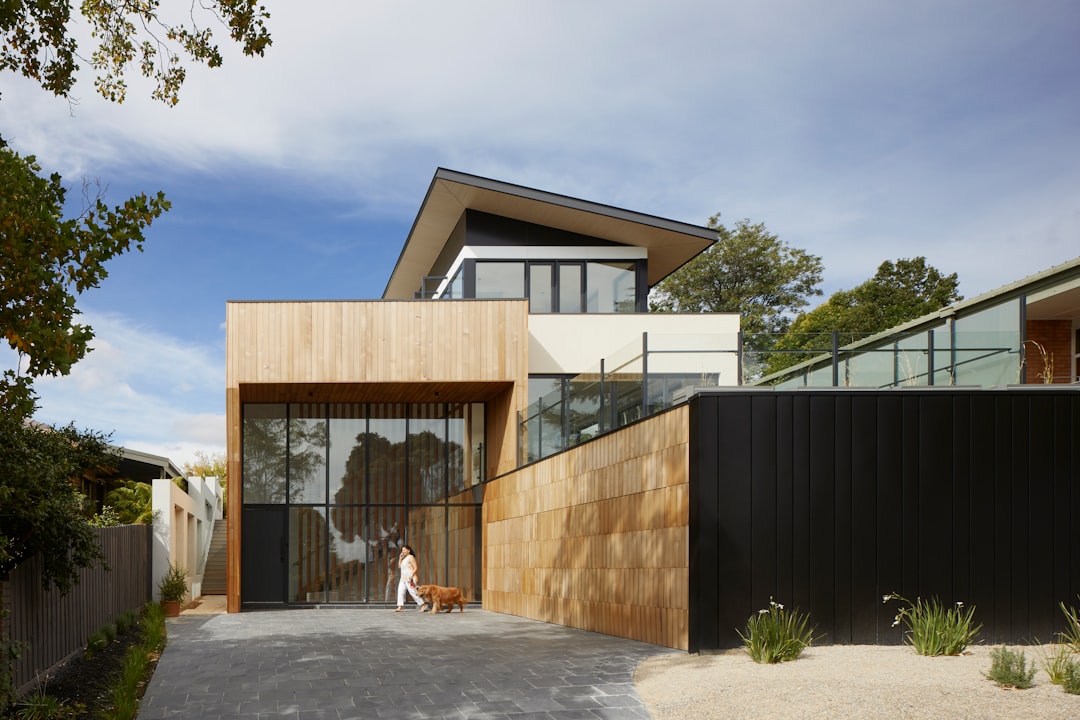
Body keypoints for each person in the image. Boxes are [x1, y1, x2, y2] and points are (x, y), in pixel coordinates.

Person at [395, 545, 426, 612]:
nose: (403, 552)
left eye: (404, 550)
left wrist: (411, 575)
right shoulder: (404, 558)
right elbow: (399, 566)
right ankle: (400, 606)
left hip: (409, 578)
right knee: (400, 591)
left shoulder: (411, 557)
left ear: (408, 550)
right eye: (402, 550)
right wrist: (400, 558)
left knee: (413, 592)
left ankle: (423, 605)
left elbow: (415, 567)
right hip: (403, 578)